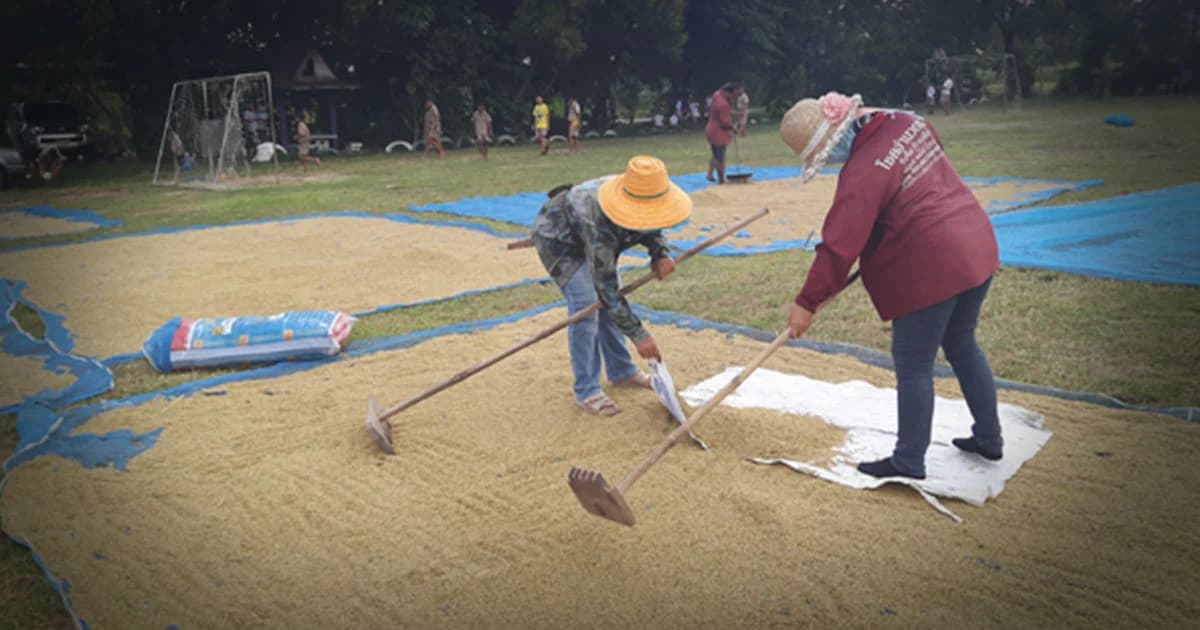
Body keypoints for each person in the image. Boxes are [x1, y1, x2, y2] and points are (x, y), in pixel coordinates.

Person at [780, 91, 1004, 480]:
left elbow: (838, 246)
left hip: (932, 263)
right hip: (975, 242)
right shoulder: (908, 121)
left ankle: (908, 460)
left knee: (914, 363)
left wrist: (806, 302)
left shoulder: (863, 169)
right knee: (962, 343)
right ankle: (990, 436)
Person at [532, 156, 692, 416]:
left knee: (609, 308)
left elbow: (651, 222)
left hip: (592, 239)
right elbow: (604, 286)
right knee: (587, 305)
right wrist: (638, 335)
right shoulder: (598, 219)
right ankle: (587, 389)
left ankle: (622, 372)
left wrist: (660, 253)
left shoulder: (643, 191)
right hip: (560, 240)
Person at [705, 82, 737, 184]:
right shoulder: (722, 104)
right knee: (720, 157)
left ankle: (710, 174)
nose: (733, 97)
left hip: (710, 128)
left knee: (715, 154)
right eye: (732, 95)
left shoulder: (716, 95)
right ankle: (721, 179)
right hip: (718, 132)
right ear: (728, 93)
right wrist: (733, 128)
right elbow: (725, 123)